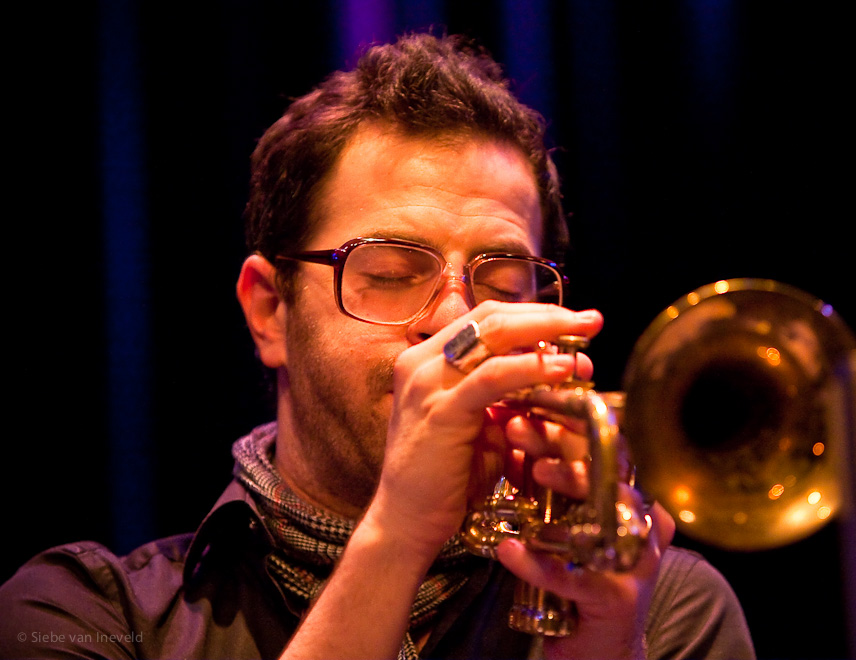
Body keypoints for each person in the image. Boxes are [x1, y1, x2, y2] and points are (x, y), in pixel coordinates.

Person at [0, 32, 755, 659]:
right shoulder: (85, 612)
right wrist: (398, 535)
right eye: (392, 273)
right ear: (269, 311)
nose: (460, 325)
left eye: (500, 282)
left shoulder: (667, 609)